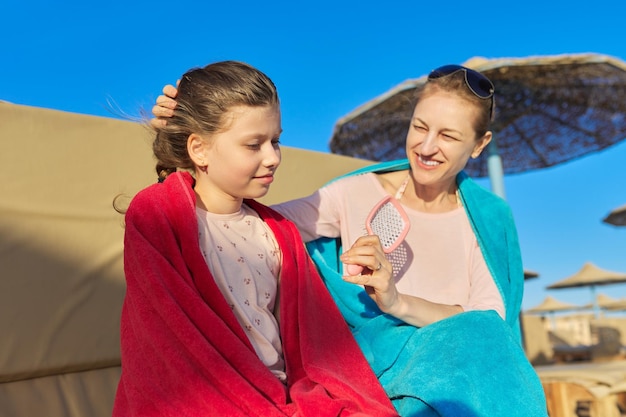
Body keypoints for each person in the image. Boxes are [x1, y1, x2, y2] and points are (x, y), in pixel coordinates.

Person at [152, 64, 549, 416]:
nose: (427, 147)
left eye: (448, 136)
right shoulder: (356, 193)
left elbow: (488, 325)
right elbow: (244, 222)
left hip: (461, 373)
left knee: (480, 349)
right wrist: (185, 142)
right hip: (373, 372)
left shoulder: (490, 217)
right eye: (420, 127)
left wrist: (397, 302)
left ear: (479, 145)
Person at [114, 60, 398, 417]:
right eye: (253, 145)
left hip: (281, 397)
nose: (273, 157)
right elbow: (170, 345)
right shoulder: (158, 215)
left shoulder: (277, 231)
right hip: (205, 400)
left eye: (276, 141)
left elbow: (316, 347)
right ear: (199, 149)